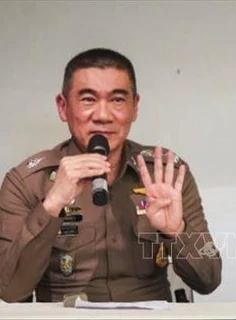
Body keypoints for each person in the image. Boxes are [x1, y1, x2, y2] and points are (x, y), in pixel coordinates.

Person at [0, 48, 222, 302]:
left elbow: (209, 280)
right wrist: (51, 207)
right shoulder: (27, 182)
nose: (103, 116)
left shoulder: (165, 173)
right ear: (63, 107)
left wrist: (176, 232)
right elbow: (9, 290)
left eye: (117, 100)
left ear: (135, 107)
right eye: (88, 100)